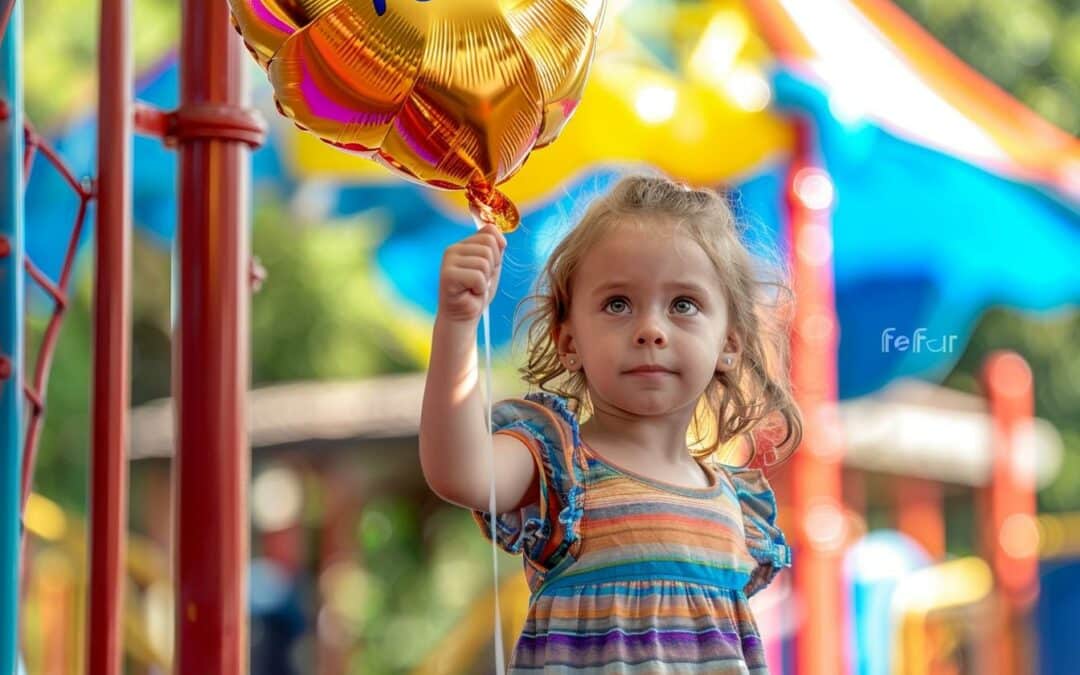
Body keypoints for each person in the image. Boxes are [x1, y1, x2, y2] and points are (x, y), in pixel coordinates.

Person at [419, 173, 803, 673]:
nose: (650, 330)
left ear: (729, 343)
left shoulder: (737, 505)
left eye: (683, 304)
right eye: (617, 304)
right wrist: (456, 322)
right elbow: (459, 472)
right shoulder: (556, 464)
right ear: (569, 340)